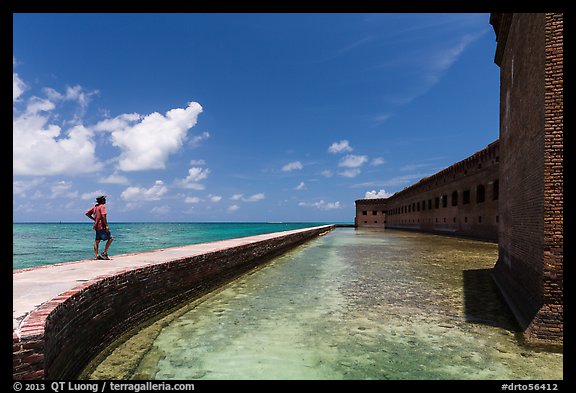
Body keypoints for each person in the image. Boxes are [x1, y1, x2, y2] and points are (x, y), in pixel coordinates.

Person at [85, 195, 114, 260]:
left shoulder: (95, 207)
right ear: (102, 200)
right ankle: (105, 253)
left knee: (97, 241)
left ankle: (97, 255)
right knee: (111, 238)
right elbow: (104, 216)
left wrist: (94, 219)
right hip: (102, 226)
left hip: (96, 226)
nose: (105, 201)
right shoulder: (102, 207)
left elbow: (87, 213)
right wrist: (106, 225)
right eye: (104, 199)